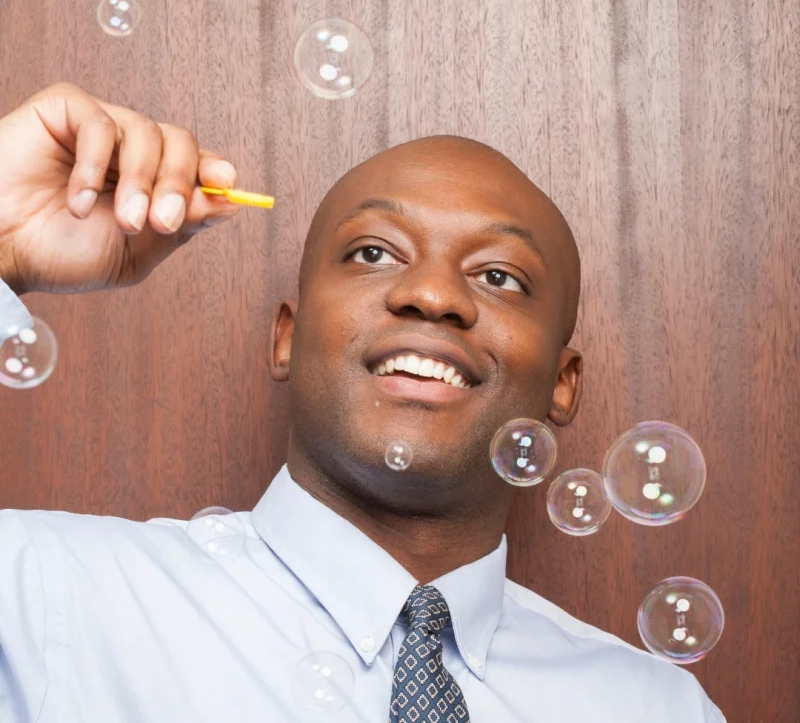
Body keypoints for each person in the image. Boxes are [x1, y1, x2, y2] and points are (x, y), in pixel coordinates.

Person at [0, 83, 725, 723]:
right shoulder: (39, 599)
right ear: (287, 339)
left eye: (499, 275)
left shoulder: (659, 710)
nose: (433, 295)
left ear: (563, 385)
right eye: (374, 252)